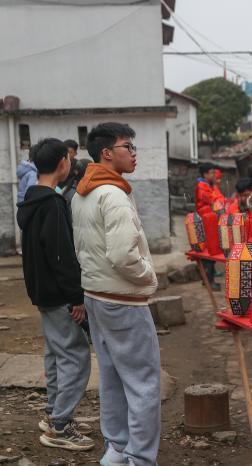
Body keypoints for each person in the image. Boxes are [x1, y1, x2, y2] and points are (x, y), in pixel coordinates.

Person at [72, 123, 161, 466]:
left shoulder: (83, 193)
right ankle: (139, 458)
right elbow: (123, 255)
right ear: (107, 153)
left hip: (96, 296)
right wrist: (148, 276)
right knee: (143, 383)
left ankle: (117, 449)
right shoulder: (113, 195)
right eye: (129, 147)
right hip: (123, 300)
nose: (134, 153)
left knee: (112, 377)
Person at [16, 138, 93, 451]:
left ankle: (54, 413)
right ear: (64, 162)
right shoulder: (53, 203)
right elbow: (62, 257)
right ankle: (60, 426)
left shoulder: (32, 201)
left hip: (43, 294)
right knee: (76, 357)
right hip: (60, 296)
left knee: (56, 354)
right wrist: (77, 298)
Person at [194, 162, 221, 291]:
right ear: (205, 174)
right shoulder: (202, 186)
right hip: (206, 222)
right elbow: (214, 199)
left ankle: (211, 276)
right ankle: (209, 281)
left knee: (212, 248)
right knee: (209, 250)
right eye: (211, 173)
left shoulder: (207, 185)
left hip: (210, 220)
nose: (214, 175)